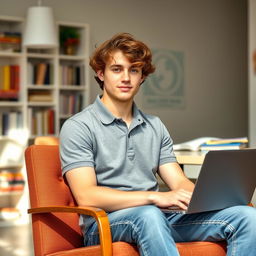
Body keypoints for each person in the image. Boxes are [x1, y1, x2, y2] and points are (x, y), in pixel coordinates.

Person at [59, 32, 256, 256]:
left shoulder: (155, 125)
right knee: (148, 214)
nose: (126, 78)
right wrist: (155, 197)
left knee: (247, 216)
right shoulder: (79, 126)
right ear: (101, 73)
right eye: (117, 69)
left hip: (157, 217)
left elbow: (178, 181)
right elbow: (87, 195)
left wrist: (202, 198)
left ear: (142, 77)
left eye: (134, 70)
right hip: (104, 223)